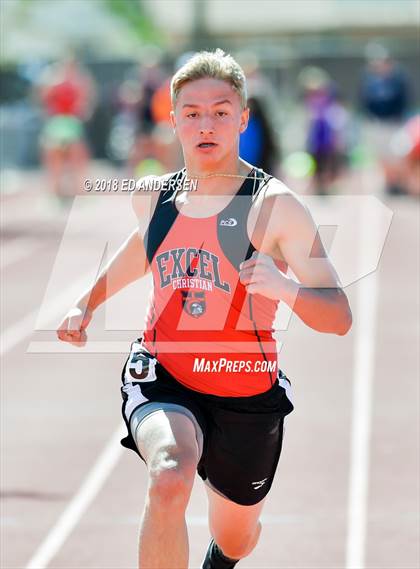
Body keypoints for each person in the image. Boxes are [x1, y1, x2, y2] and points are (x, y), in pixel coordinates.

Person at [57, 49, 352, 569]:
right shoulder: (154, 196)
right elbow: (142, 249)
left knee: (237, 537)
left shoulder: (274, 207)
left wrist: (284, 287)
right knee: (170, 474)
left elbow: (339, 316)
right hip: (164, 373)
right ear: (172, 121)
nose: (206, 124)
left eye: (220, 111)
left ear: (243, 118)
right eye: (191, 113)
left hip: (245, 391)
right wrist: (87, 302)